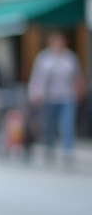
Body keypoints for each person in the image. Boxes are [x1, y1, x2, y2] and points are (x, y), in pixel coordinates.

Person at [29, 31, 85, 166]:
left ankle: (68, 151)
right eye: (56, 41)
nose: (59, 44)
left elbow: (77, 76)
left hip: (67, 97)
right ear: (51, 43)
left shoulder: (70, 58)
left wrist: (79, 91)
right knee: (48, 126)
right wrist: (35, 94)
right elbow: (36, 77)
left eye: (61, 41)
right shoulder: (43, 58)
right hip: (49, 98)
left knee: (67, 124)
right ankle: (49, 148)